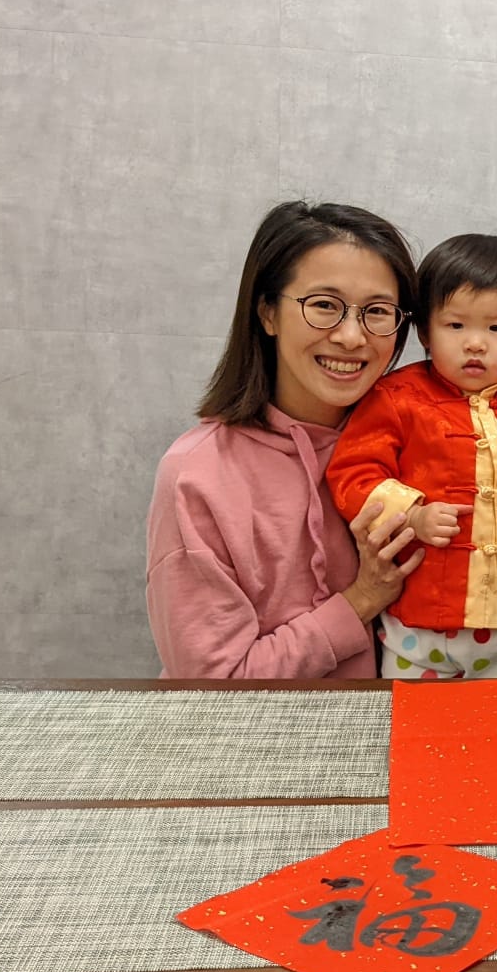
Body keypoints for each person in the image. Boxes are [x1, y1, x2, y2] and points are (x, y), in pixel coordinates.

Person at [148, 201, 423, 678]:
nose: (353, 336)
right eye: (324, 306)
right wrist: (361, 599)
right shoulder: (197, 475)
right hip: (258, 742)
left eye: (378, 311)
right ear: (268, 312)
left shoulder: (419, 445)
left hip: (416, 730)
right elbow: (213, 686)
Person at [327, 234, 497, 680]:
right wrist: (411, 515)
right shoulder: (396, 396)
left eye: (496, 329)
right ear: (424, 331)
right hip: (418, 616)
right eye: (455, 326)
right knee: (417, 726)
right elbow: (353, 470)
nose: (475, 343)